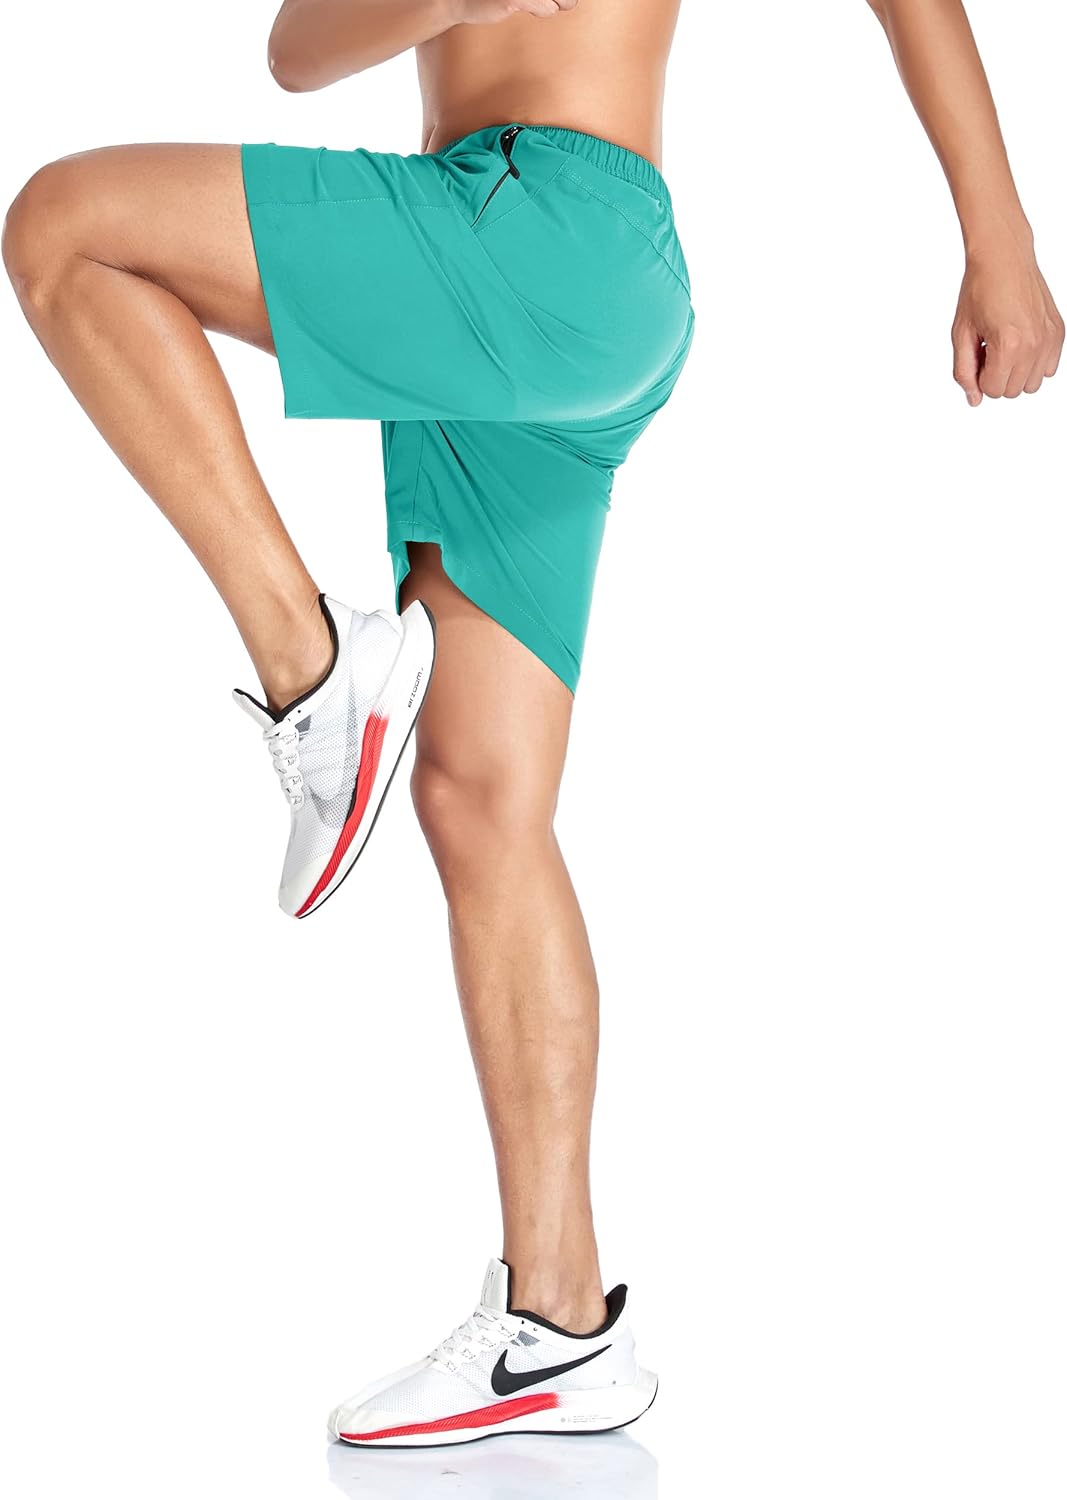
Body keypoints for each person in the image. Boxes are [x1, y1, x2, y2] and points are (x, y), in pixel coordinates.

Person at [2, 0, 1062, 1453]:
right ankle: (557, 1325)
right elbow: (297, 54)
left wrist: (1000, 238)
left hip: (542, 234)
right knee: (481, 803)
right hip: (509, 278)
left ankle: (315, 671)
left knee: (63, 226)